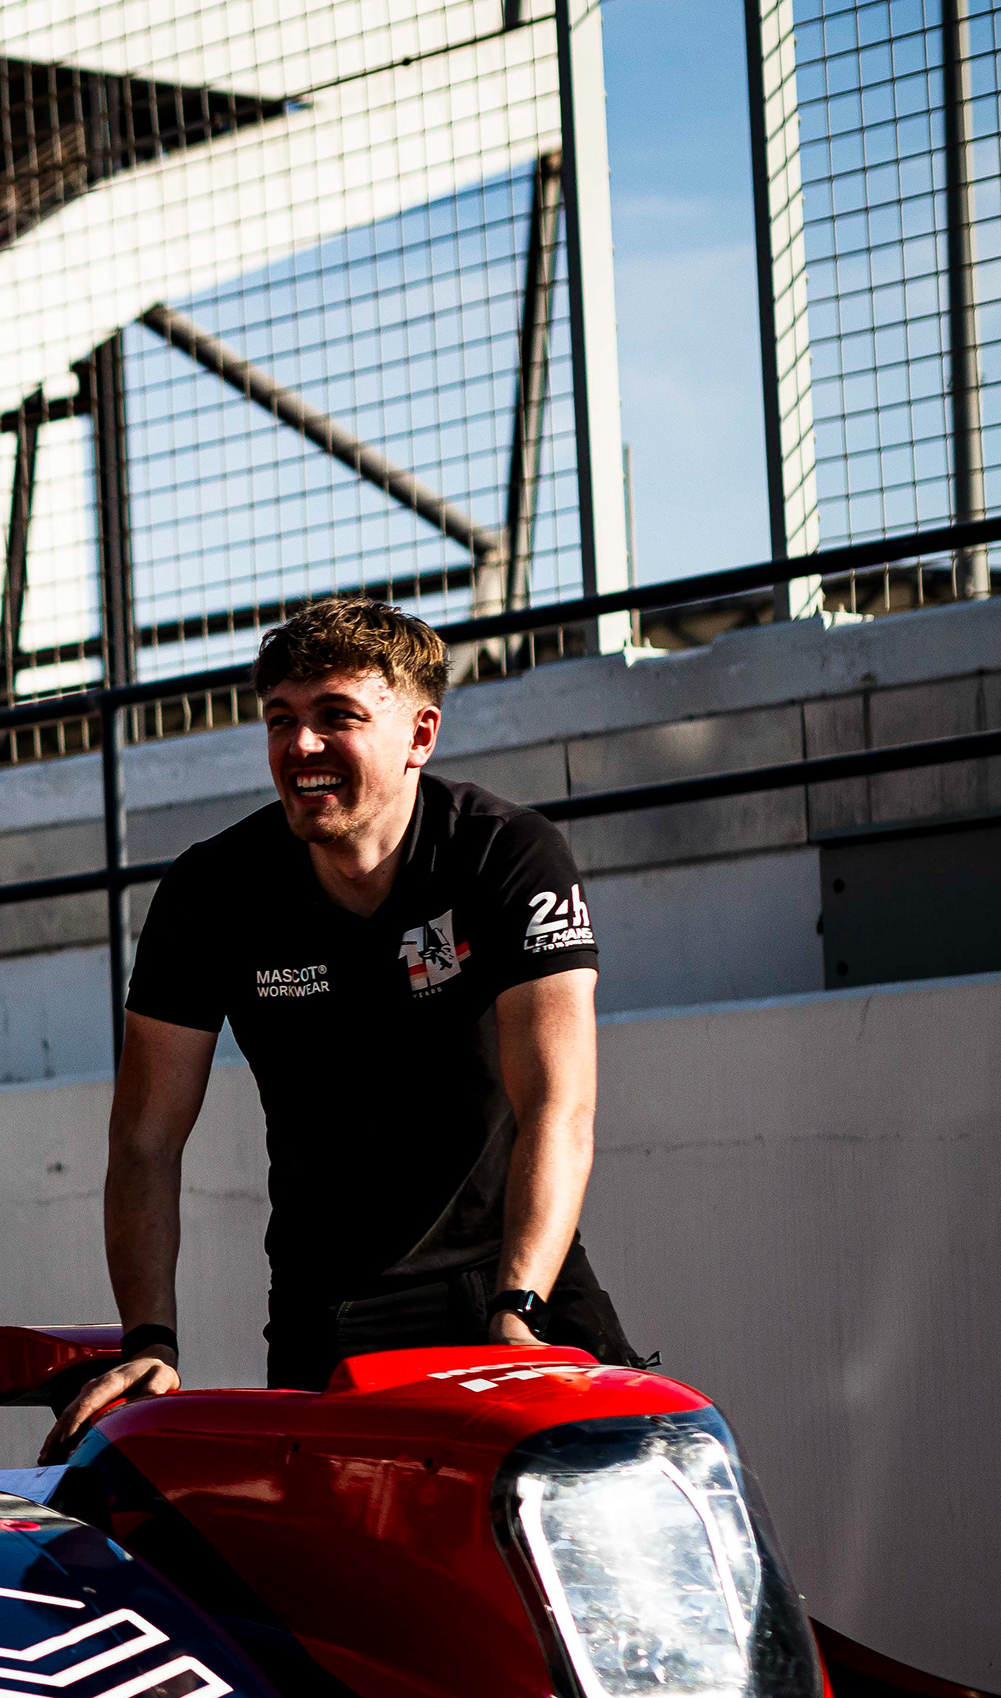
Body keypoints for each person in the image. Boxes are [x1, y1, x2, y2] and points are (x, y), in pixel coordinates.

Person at [56, 597, 636, 1444]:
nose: (301, 746)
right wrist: (151, 1339)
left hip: (510, 1291)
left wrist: (518, 1311)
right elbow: (145, 1140)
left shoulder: (505, 854)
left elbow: (560, 1106)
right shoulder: (211, 893)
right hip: (327, 1315)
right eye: (281, 720)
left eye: (338, 717)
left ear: (420, 736)